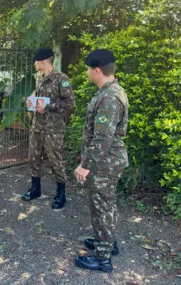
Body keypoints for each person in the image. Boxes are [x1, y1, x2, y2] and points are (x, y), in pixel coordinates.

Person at [74, 49, 129, 272]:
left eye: (88, 69)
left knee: (101, 207)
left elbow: (103, 139)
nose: (87, 73)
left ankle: (103, 258)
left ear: (97, 70)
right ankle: (106, 243)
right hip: (107, 161)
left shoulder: (108, 98)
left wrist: (85, 165)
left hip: (104, 163)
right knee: (106, 206)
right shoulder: (110, 91)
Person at [22, 48, 75, 210]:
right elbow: (38, 98)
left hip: (53, 130)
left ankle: (61, 194)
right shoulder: (39, 78)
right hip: (37, 127)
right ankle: (35, 189)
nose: (34, 64)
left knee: (55, 161)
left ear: (44, 61)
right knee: (34, 159)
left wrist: (49, 107)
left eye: (36, 61)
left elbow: (70, 104)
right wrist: (31, 102)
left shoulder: (61, 79)